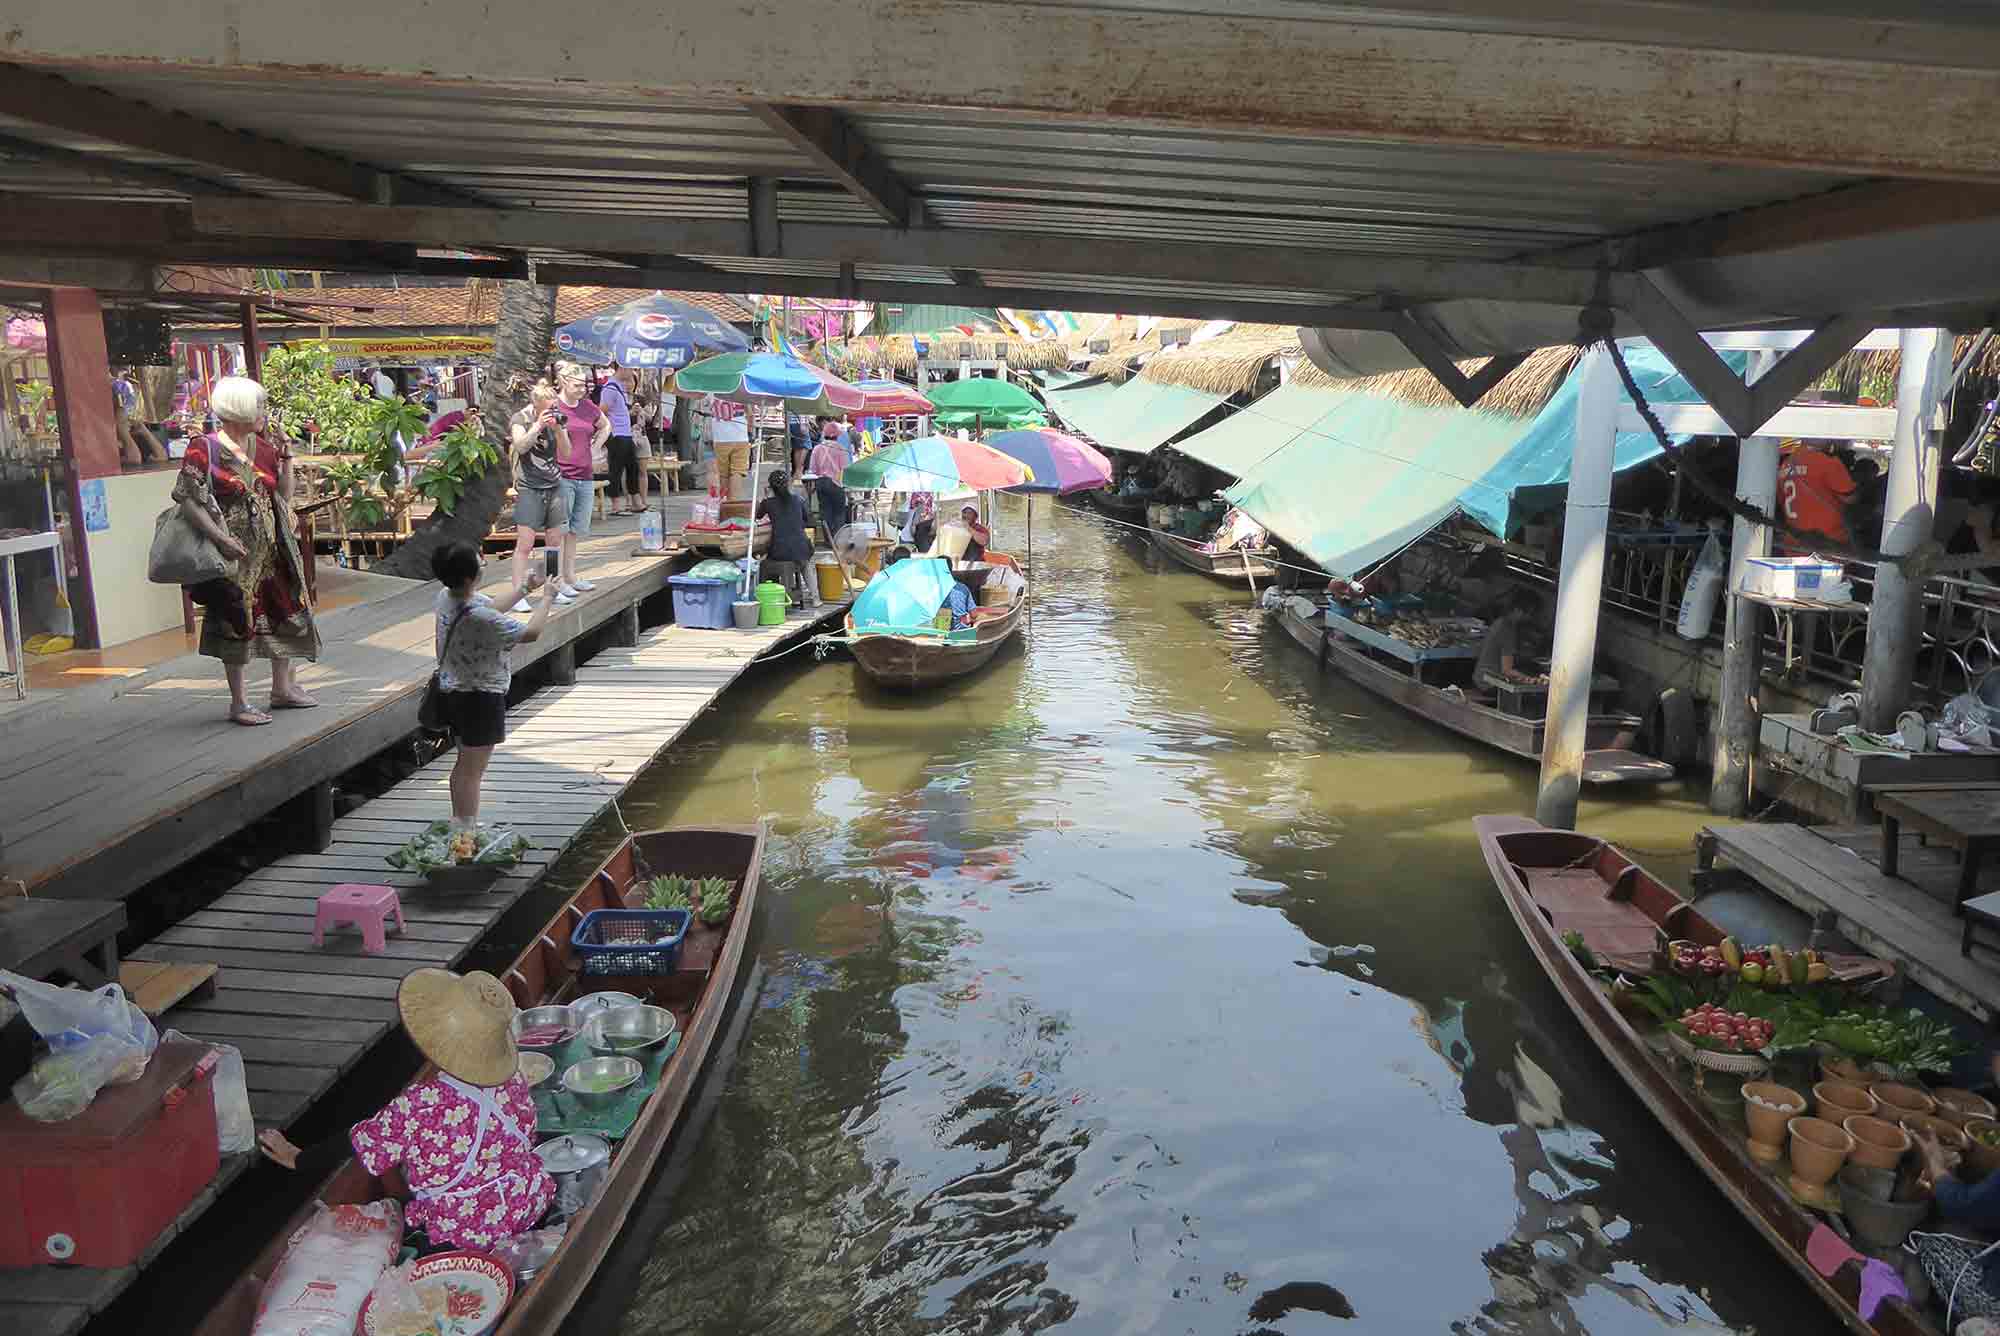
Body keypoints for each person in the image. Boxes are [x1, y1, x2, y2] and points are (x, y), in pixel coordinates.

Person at [256, 969, 558, 1250]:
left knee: (412, 1182)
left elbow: (362, 1142)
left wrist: (300, 1158)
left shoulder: (419, 1103)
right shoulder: (513, 1076)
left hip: (465, 1232)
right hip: (527, 1200)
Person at [175, 376, 321, 727]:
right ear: (239, 410)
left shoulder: (264, 447)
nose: (264, 413)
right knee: (235, 618)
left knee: (285, 609)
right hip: (234, 552)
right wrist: (221, 539)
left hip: (273, 548)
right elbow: (187, 500)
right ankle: (239, 702)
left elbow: (283, 495)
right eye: (259, 406)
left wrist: (287, 458)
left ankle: (282, 688)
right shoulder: (203, 447)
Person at [431, 539, 555, 829]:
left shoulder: (446, 596)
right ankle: (465, 828)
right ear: (469, 577)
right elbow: (531, 632)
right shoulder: (480, 618)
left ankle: (460, 821)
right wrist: (548, 597)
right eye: (480, 562)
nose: (484, 564)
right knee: (472, 769)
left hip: (455, 691)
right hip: (480, 698)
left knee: (464, 763)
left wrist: (526, 588)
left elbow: (490, 607)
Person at [549, 362, 610, 600]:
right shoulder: (554, 405)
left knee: (575, 530)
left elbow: (605, 425)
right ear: (563, 381)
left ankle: (571, 575)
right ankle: (556, 581)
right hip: (561, 475)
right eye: (577, 384)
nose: (583, 389)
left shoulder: (588, 406)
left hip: (585, 475)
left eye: (585, 384)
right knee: (559, 530)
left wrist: (596, 446)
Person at [508, 382, 569, 611]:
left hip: (554, 484)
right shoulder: (520, 419)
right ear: (536, 406)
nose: (552, 412)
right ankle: (517, 593)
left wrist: (558, 429)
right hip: (529, 486)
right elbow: (521, 447)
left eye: (554, 407)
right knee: (526, 542)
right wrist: (537, 426)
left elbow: (567, 452)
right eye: (547, 409)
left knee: (554, 541)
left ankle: (552, 589)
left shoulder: (558, 419)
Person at [1777, 439, 1857, 553]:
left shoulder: (1786, 464)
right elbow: (1850, 498)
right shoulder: (1827, 462)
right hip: (1828, 545)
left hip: (1793, 545)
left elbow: (1781, 500)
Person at [755, 469, 816, 607]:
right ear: (788, 484)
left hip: (779, 551)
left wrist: (766, 496)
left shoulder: (768, 503)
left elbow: (757, 516)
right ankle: (815, 597)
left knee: (765, 560)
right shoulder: (798, 500)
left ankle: (773, 595)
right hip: (801, 548)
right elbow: (809, 521)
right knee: (805, 563)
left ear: (771, 487)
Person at [1475, 587, 1545, 689]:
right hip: (1489, 685)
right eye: (1529, 614)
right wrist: (1531, 680)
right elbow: (1507, 670)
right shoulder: (1507, 630)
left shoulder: (1500, 621)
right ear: (1518, 610)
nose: (1529, 618)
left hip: (1480, 678)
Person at [600, 365, 641, 516]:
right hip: (617, 434)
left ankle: (636, 502)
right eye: (631, 369)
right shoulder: (610, 387)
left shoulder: (619, 387)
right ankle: (616, 506)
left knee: (633, 468)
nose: (632, 373)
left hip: (626, 433)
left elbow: (617, 411)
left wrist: (631, 413)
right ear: (622, 368)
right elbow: (602, 410)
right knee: (616, 470)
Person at [808, 421, 851, 540]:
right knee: (839, 512)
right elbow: (845, 468)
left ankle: (828, 540)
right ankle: (838, 540)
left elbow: (813, 469)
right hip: (836, 483)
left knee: (825, 512)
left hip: (821, 483)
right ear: (837, 436)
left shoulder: (817, 448)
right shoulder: (841, 449)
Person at [113, 370, 165, 466]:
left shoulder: (135, 438)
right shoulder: (112, 442)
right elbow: (134, 459)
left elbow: (161, 457)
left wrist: (145, 432)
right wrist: (122, 429)